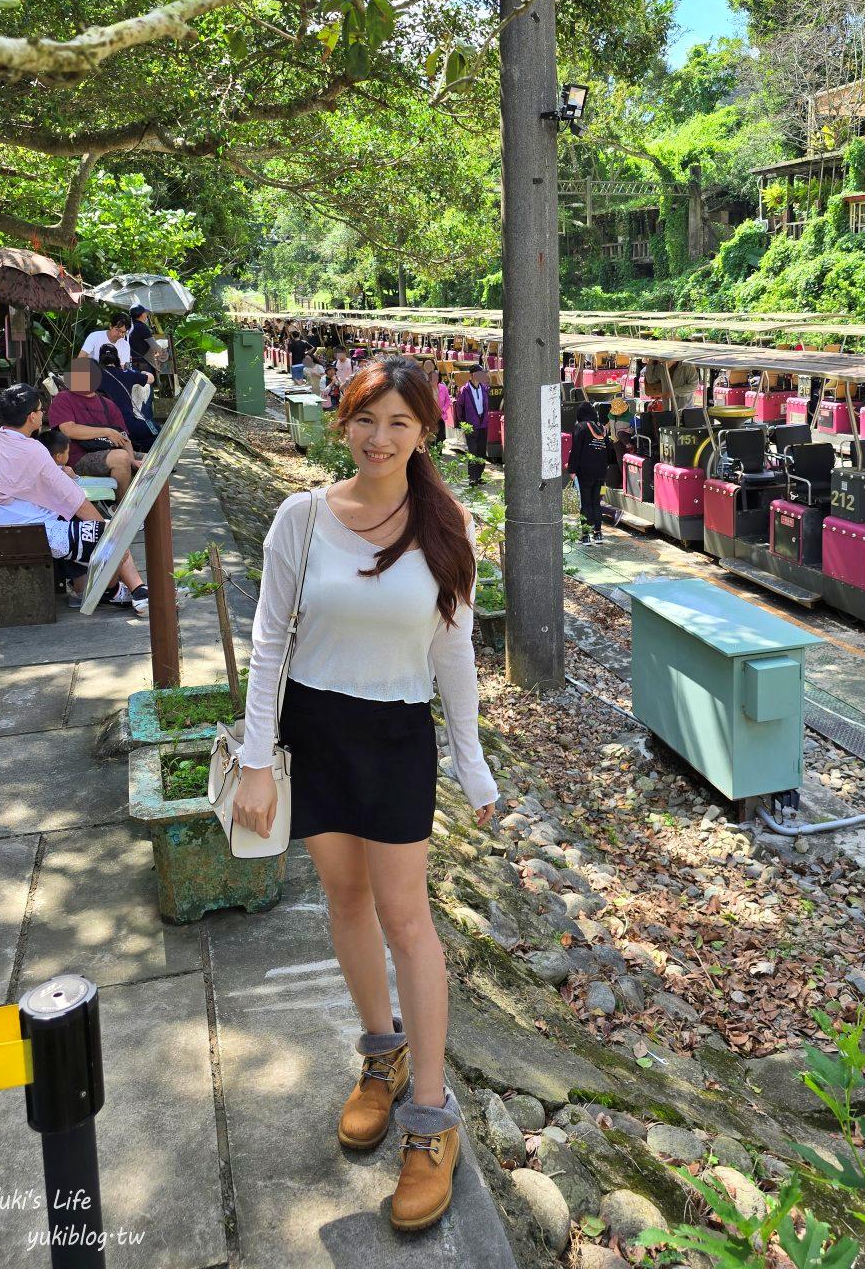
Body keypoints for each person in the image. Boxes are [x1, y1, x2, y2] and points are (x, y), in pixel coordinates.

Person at [231, 356, 497, 1232]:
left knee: (406, 917)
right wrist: (261, 760)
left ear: (426, 432)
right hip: (314, 728)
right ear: (340, 423)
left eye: (400, 423)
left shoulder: (443, 523)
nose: (380, 439)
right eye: (365, 419)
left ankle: (430, 1118)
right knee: (343, 900)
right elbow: (270, 641)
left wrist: (470, 758)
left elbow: (452, 652)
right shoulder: (302, 518)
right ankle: (380, 1054)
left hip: (393, 735)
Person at [0, 383, 148, 613]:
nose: (43, 414)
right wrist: (106, 530)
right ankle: (116, 591)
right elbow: (74, 499)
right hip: (33, 535)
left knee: (75, 525)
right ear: (31, 417)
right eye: (40, 410)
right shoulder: (33, 450)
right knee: (112, 534)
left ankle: (130, 590)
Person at [48, 354, 143, 501]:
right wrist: (107, 431)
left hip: (109, 452)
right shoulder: (63, 398)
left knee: (153, 460)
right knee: (120, 457)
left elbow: (124, 437)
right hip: (77, 458)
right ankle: (119, 510)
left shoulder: (108, 404)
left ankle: (152, 516)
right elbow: (68, 429)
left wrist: (131, 459)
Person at [96, 345, 158, 452]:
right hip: (127, 425)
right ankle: (154, 462)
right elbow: (151, 379)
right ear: (116, 357)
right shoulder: (127, 373)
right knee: (156, 430)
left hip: (101, 427)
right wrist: (143, 372)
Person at [569, 400, 609, 542]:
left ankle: (585, 536)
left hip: (584, 471)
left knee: (585, 503)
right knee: (596, 503)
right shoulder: (602, 428)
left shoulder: (580, 427)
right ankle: (598, 533)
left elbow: (576, 450)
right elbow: (607, 450)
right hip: (601, 472)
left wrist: (572, 470)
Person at [455, 364, 490, 486]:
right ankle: (472, 478)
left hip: (483, 424)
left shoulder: (484, 388)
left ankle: (479, 476)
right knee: (472, 452)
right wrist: (463, 424)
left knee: (481, 451)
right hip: (471, 426)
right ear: (472, 375)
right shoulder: (464, 390)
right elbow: (459, 408)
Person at [128, 305, 156, 374]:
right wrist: (161, 351)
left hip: (131, 362)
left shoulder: (129, 327)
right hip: (143, 363)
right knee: (146, 383)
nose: (146, 315)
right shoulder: (142, 327)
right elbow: (154, 345)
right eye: (145, 313)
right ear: (142, 315)